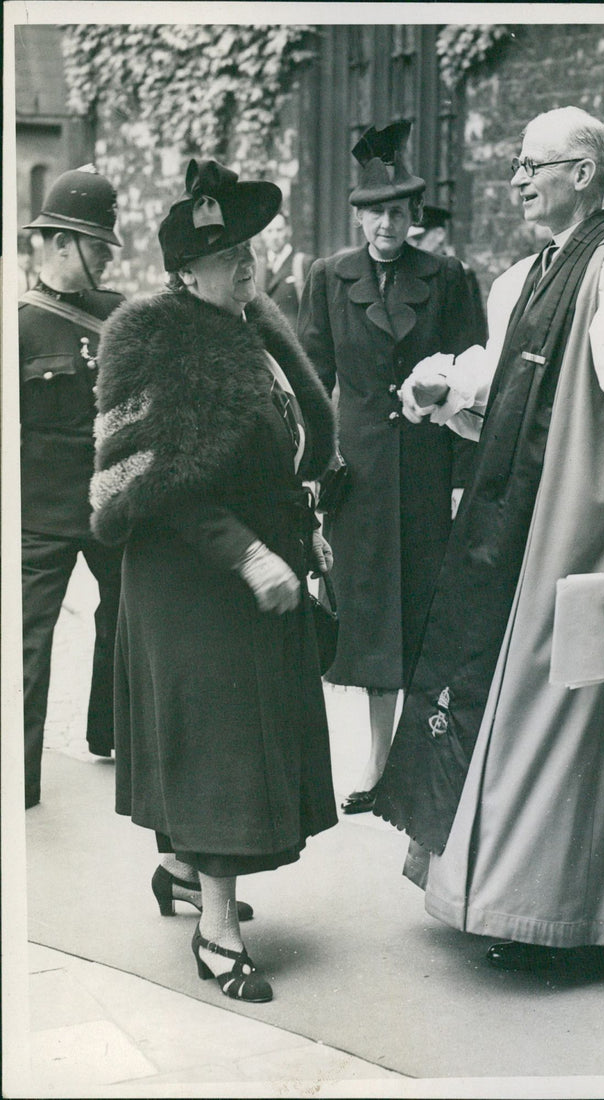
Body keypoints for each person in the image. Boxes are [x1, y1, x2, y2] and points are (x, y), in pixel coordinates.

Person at [372, 107, 604, 970]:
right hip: (517, 526)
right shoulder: (529, 274)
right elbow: (513, 382)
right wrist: (446, 390)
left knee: (563, 716)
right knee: (505, 704)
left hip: (587, 530)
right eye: (520, 164)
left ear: (586, 176)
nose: (520, 179)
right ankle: (488, 892)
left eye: (537, 164)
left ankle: (556, 917)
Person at [90, 158, 338, 1003]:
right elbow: (153, 485)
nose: (248, 265)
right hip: (189, 580)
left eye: (250, 250)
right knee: (222, 748)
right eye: (228, 254)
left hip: (251, 570)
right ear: (183, 271)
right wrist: (251, 555)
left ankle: (178, 870)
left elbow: (291, 436)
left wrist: (304, 527)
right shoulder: (150, 337)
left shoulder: (250, 325)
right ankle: (217, 929)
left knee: (219, 737)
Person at [297, 120, 484, 815]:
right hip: (359, 478)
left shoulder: (448, 278)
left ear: (414, 218)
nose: (386, 225)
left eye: (399, 213)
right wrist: (313, 468)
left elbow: (474, 377)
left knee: (426, 617)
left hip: (428, 476)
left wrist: (464, 482)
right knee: (372, 623)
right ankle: (376, 767)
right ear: (359, 216)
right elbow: (312, 380)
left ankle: (421, 765)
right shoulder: (326, 278)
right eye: (375, 213)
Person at [19, 165, 125, 809]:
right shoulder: (19, 325)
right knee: (30, 648)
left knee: (130, 624)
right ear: (61, 243)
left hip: (110, 506)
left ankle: (115, 744)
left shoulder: (118, 315)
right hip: (39, 516)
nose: (104, 259)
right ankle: (19, 780)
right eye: (95, 246)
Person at [408, 204, 488, 342]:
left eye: (419, 237)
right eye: (410, 239)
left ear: (439, 235)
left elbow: (473, 332)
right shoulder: (407, 271)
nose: (414, 244)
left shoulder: (461, 273)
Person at [262, 211, 313, 328]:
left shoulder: (302, 263)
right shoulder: (257, 266)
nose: (274, 237)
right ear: (263, 234)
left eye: (279, 230)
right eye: (269, 231)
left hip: (293, 337)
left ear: (288, 231)